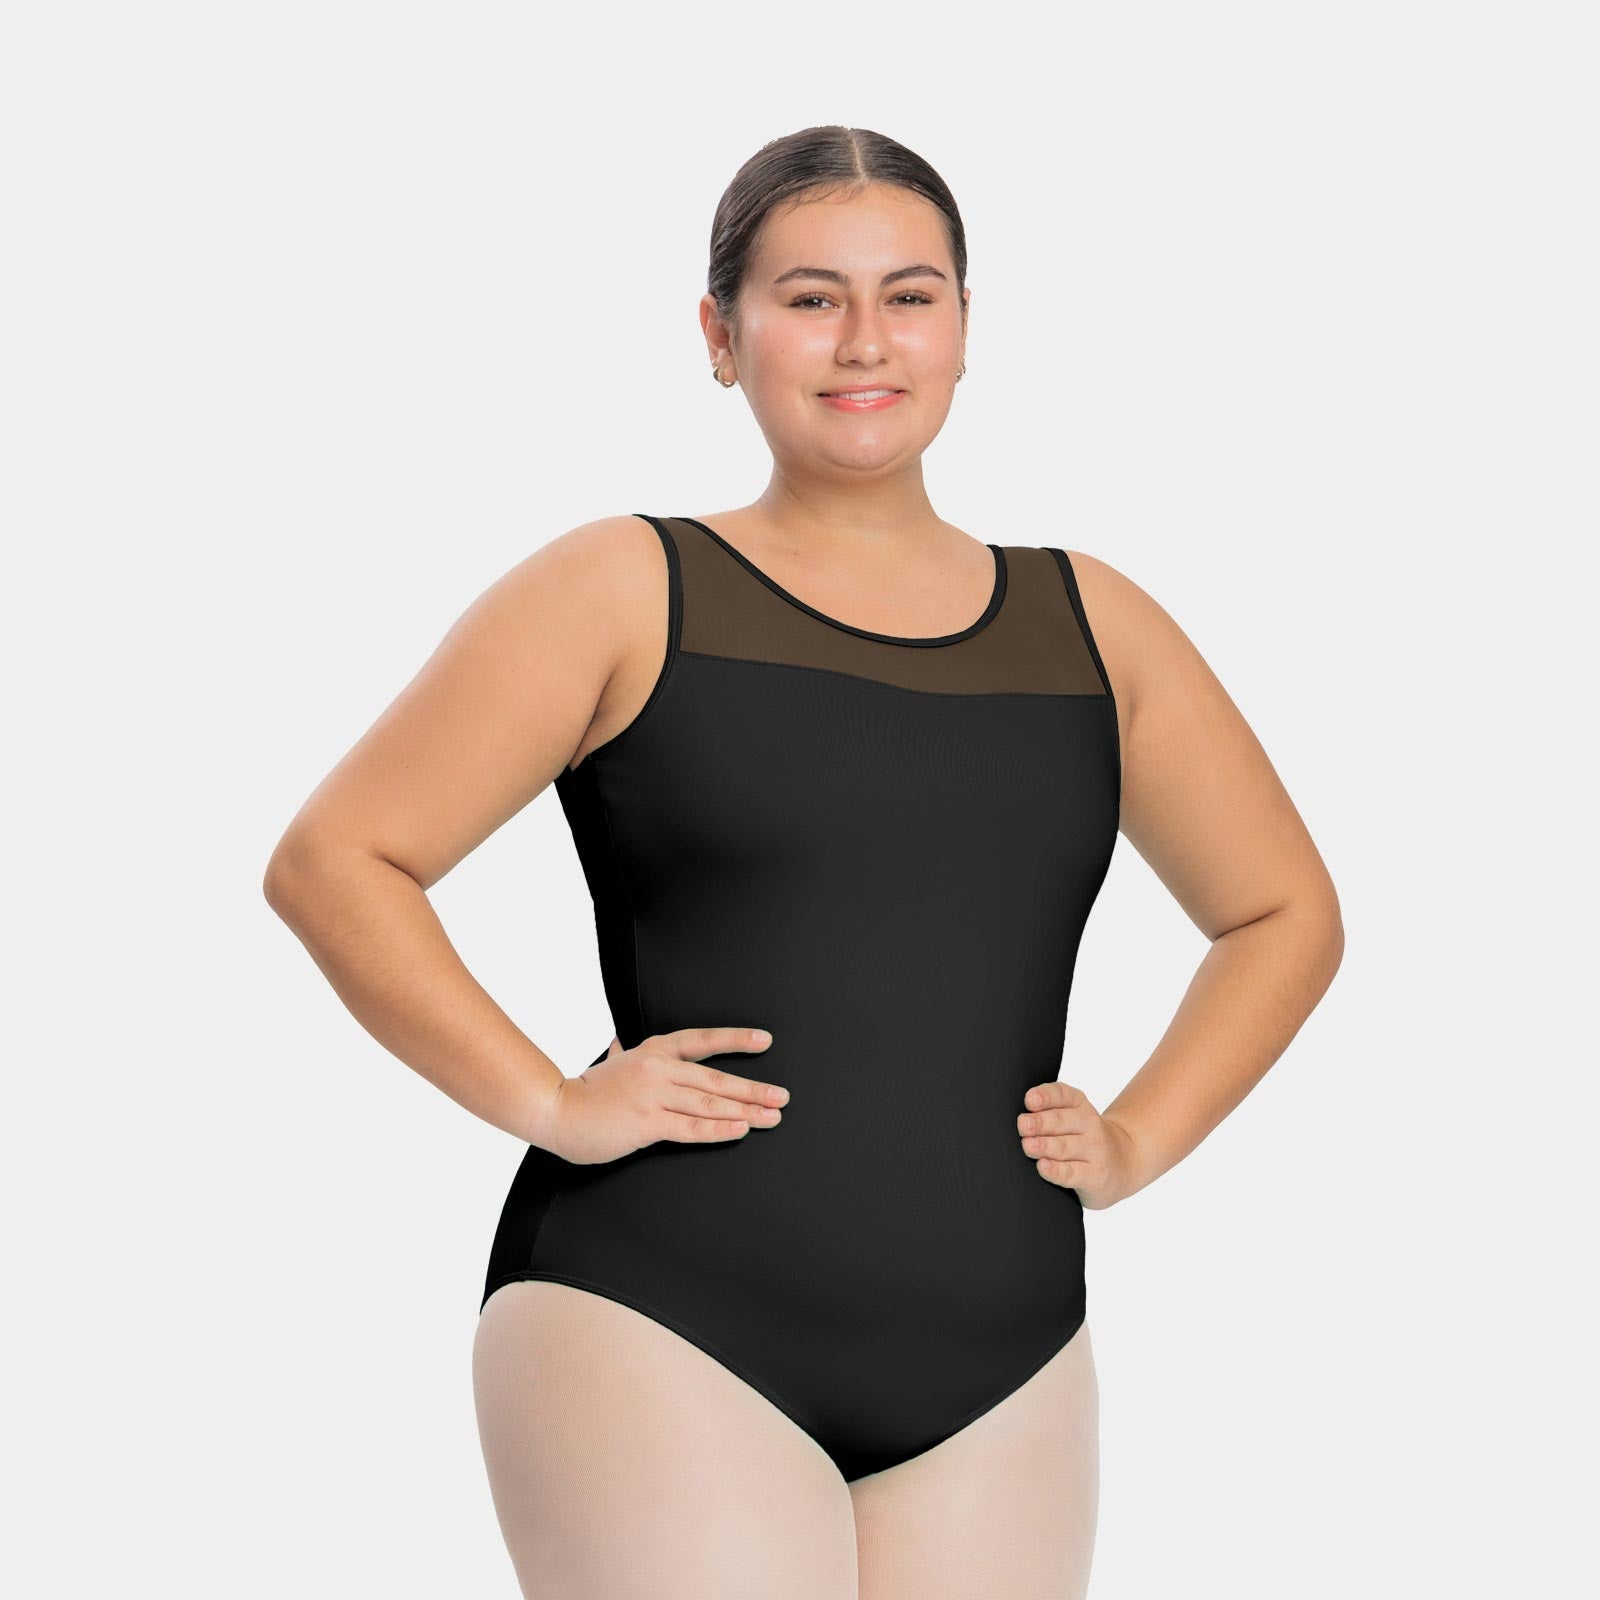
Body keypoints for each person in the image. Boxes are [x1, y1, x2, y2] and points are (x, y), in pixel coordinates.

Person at [264, 124, 1343, 1600]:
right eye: (810, 297)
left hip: (1005, 1354)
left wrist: (1143, 1138)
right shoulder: (623, 587)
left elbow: (1284, 913)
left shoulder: (1096, 624)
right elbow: (338, 859)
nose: (864, 341)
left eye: (910, 295)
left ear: (965, 327)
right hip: (661, 1315)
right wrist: (548, 1103)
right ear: (722, 335)